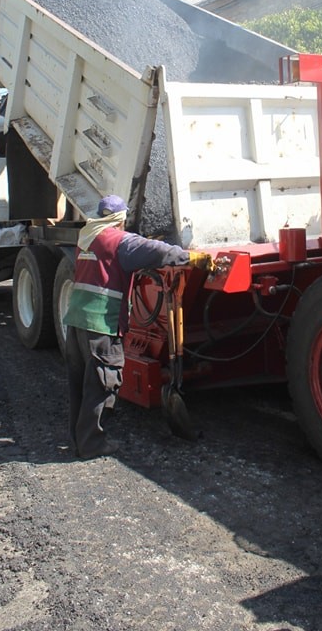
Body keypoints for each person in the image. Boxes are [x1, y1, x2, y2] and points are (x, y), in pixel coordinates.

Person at [63, 194, 212, 460]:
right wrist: (191, 257)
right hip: (101, 324)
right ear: (120, 219)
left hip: (76, 322)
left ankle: (79, 439)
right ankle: (92, 444)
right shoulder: (120, 242)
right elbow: (157, 251)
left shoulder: (87, 236)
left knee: (80, 385)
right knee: (102, 385)